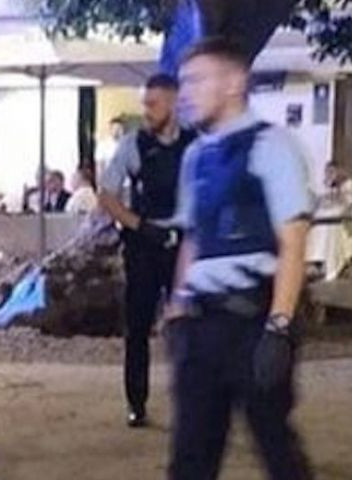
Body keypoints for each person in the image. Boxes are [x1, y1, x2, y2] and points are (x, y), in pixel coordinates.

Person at [165, 37, 313, 479]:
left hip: (254, 319)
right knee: (190, 455)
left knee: (275, 447)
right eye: (182, 82)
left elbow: (293, 240)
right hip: (201, 323)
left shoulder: (274, 146)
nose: (186, 92)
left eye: (196, 79)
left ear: (234, 82)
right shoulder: (196, 156)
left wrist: (279, 327)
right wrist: (177, 307)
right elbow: (194, 238)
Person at [99, 72, 198, 428]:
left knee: (187, 326)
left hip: (182, 245)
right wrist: (140, 226)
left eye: (153, 104)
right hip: (143, 246)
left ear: (173, 102)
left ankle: (190, 402)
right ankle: (136, 403)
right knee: (137, 328)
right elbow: (106, 195)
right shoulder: (132, 145)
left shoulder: (195, 144)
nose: (147, 110)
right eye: (146, 103)